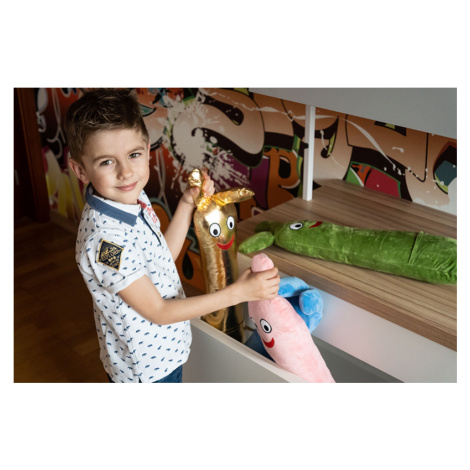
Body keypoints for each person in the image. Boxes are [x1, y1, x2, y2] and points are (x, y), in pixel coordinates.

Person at [65, 88, 280, 383]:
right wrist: (238, 294)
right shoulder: (106, 242)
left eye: (133, 155)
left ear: (147, 149)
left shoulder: (131, 199)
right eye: (107, 162)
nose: (126, 172)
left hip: (165, 353)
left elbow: (160, 257)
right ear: (80, 170)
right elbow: (159, 311)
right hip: (146, 371)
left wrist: (187, 203)